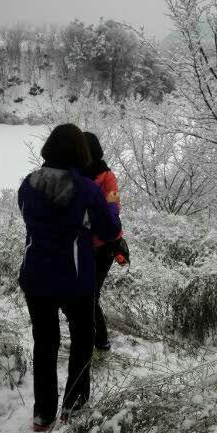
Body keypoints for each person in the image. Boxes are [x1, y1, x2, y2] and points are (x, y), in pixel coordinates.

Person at [18, 124, 122, 431]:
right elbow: (110, 230)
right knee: (81, 340)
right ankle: (74, 407)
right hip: (74, 278)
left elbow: (32, 220)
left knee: (45, 342)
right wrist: (111, 207)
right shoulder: (87, 189)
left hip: (36, 275)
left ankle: (43, 414)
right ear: (81, 153)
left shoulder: (28, 184)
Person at [82, 131, 124, 352]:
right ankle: (92, 338)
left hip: (105, 245)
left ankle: (100, 340)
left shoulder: (107, 176)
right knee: (83, 293)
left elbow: (113, 205)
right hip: (82, 244)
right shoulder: (75, 174)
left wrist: (102, 221)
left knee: (91, 293)